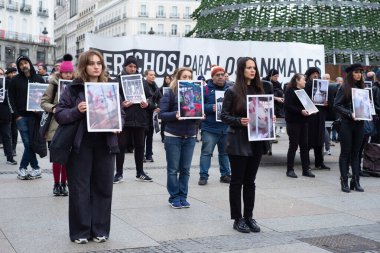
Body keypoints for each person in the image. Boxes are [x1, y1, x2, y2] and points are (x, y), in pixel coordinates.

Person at [55, 49, 121, 243]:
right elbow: (59, 114)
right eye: (92, 63)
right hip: (80, 144)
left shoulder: (110, 88)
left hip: (105, 143)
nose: (96, 66)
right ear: (84, 66)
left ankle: (100, 229)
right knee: (80, 188)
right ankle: (80, 232)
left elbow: (120, 114)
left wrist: (118, 124)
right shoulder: (73, 89)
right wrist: (77, 110)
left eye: (99, 63)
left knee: (103, 187)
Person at [221, 57, 272, 233]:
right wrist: (239, 121)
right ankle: (237, 218)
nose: (253, 70)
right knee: (237, 181)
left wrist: (269, 118)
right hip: (238, 141)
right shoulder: (232, 91)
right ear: (241, 69)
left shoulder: (259, 89)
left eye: (254, 68)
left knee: (250, 181)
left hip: (256, 141)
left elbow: (263, 113)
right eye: (249, 67)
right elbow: (224, 116)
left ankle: (249, 216)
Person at [160, 67, 199, 209]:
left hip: (190, 135)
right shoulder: (170, 93)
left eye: (189, 77)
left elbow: (196, 115)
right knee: (172, 169)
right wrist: (174, 115)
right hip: (173, 136)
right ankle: (174, 197)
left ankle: (183, 196)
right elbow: (162, 114)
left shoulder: (196, 93)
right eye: (184, 76)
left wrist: (200, 116)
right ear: (178, 78)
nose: (187, 79)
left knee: (185, 169)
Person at [113, 56, 154, 184]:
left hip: (140, 119)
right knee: (121, 146)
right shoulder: (117, 80)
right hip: (125, 119)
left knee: (140, 146)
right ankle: (119, 173)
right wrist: (121, 103)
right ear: (125, 66)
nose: (133, 69)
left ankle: (140, 172)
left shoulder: (142, 81)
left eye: (135, 67)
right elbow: (111, 98)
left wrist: (147, 103)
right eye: (130, 66)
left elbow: (151, 99)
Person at [40, 54, 74, 196]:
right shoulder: (53, 84)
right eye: (65, 72)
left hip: (70, 125)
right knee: (56, 158)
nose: (68, 75)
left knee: (66, 158)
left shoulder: (76, 85)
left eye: (70, 72)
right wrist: (53, 108)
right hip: (55, 125)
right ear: (61, 72)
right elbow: (43, 102)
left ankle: (64, 184)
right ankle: (56, 184)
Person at [8, 55, 45, 180]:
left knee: (32, 143)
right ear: (19, 67)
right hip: (21, 117)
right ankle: (24, 168)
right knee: (28, 143)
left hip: (35, 117)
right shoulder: (15, 80)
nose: (24, 65)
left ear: (29, 63)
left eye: (25, 62)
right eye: (21, 64)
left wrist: (40, 112)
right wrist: (16, 115)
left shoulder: (39, 79)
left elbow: (45, 98)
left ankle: (35, 168)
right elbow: (10, 99)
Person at [334, 63, 366, 193]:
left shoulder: (362, 88)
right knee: (345, 152)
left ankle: (356, 181)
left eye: (360, 72)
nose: (359, 74)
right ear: (350, 74)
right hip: (347, 123)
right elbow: (336, 105)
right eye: (356, 72)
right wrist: (349, 113)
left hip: (360, 124)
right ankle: (344, 181)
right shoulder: (344, 87)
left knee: (356, 153)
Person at [198, 65, 231, 185]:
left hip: (225, 128)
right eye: (218, 75)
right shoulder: (205, 89)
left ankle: (225, 175)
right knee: (206, 153)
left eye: (223, 75)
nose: (221, 77)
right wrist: (209, 108)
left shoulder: (230, 89)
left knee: (225, 153)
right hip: (209, 128)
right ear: (212, 77)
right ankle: (203, 176)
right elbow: (197, 105)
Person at [284, 74, 314, 178]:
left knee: (304, 146)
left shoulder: (303, 91)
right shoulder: (290, 90)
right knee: (293, 146)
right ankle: (290, 170)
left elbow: (307, 104)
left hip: (303, 121)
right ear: (297, 80)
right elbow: (287, 106)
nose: (305, 82)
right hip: (293, 122)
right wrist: (300, 111)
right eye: (303, 80)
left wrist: (311, 110)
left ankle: (306, 169)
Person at [304, 67, 331, 171]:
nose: (315, 75)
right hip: (310, 116)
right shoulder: (306, 85)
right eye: (313, 73)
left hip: (320, 115)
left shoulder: (322, 85)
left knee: (320, 140)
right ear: (309, 75)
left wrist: (327, 103)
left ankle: (319, 163)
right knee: (308, 140)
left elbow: (328, 100)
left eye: (317, 73)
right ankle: (306, 164)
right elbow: (304, 100)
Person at [0, 68, 17, 165]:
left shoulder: (8, 84)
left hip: (5, 115)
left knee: (7, 137)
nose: (0, 75)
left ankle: (10, 158)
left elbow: (12, 98)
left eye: (1, 74)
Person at [143, 69, 161, 163]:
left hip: (152, 115)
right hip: (143, 115)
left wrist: (159, 107)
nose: (153, 76)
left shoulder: (155, 86)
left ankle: (149, 154)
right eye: (151, 75)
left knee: (150, 136)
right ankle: (142, 154)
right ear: (146, 75)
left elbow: (160, 98)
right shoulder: (143, 85)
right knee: (142, 137)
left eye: (154, 75)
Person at [4, 67, 18, 156]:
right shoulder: (5, 82)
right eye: (12, 73)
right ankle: (10, 148)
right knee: (9, 130)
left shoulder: (16, 82)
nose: (13, 74)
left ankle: (13, 148)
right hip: (7, 109)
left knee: (13, 129)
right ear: (8, 74)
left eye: (14, 72)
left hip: (14, 109)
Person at [159, 75, 172, 142]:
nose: (167, 80)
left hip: (171, 107)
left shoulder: (173, 88)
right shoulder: (161, 88)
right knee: (163, 123)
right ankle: (163, 136)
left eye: (168, 78)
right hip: (164, 107)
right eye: (166, 78)